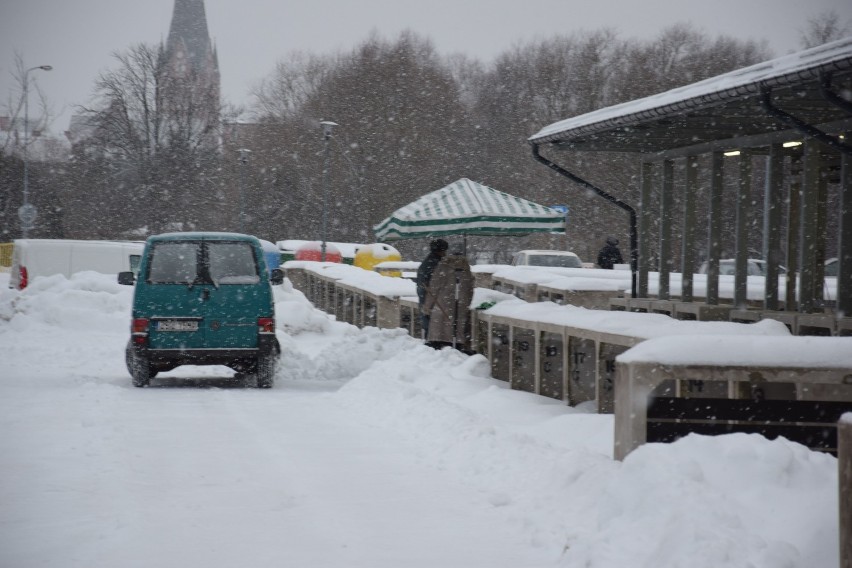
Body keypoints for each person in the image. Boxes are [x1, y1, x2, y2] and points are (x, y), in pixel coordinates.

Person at [423, 248, 474, 351]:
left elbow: (434, 287)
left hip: (442, 305)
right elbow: (470, 290)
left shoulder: (443, 266)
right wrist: (466, 303)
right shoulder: (466, 269)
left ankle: (439, 346)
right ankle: (456, 345)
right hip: (460, 306)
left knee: (440, 331)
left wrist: (427, 307)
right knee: (456, 328)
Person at [416, 239, 448, 339]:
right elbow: (437, 279)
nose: (445, 253)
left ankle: (429, 336)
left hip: (424, 290)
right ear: (440, 250)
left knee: (426, 314)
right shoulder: (435, 262)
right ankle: (430, 338)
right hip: (428, 291)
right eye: (444, 250)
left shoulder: (429, 260)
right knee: (429, 315)